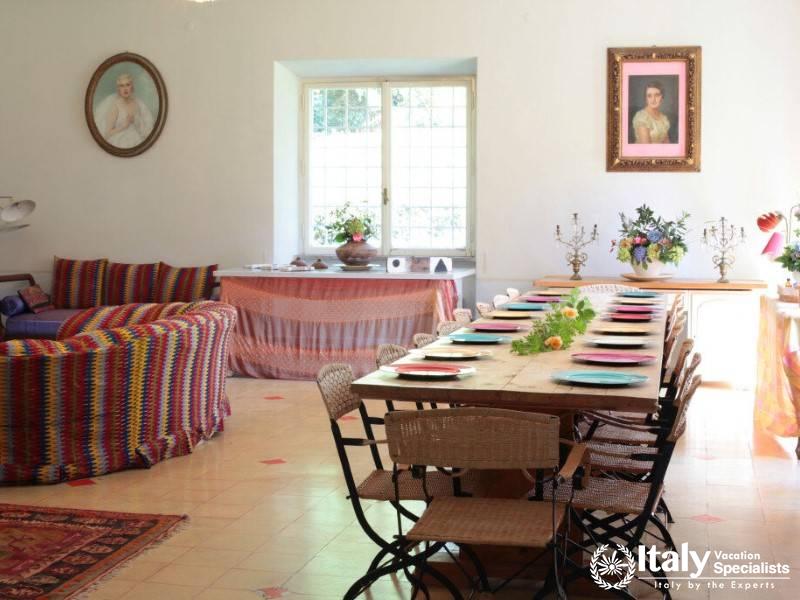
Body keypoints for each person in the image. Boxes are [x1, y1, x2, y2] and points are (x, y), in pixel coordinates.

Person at [93, 73, 154, 148]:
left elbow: (143, 127)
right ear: (118, 89)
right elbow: (107, 133)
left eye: (127, 85)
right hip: (119, 141)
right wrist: (124, 126)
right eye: (121, 86)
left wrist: (136, 121)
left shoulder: (137, 104)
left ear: (132, 87)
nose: (125, 89)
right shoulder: (115, 106)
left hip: (137, 140)